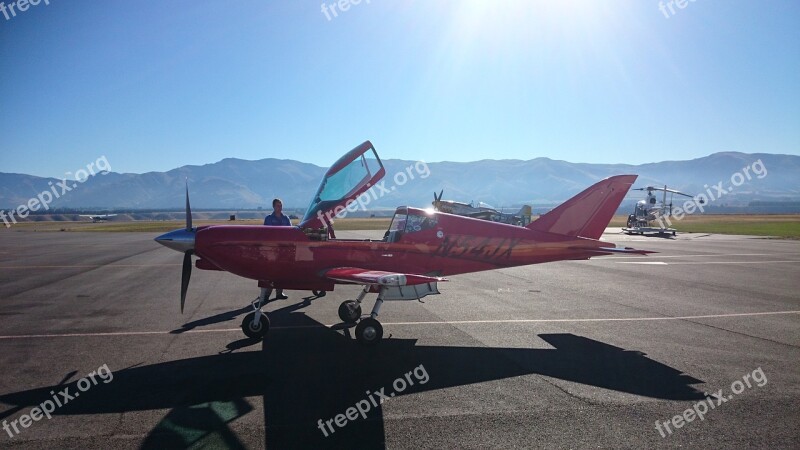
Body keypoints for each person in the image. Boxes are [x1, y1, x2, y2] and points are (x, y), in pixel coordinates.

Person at [264, 198, 291, 299]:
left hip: (283, 250)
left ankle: (279, 292)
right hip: (271, 250)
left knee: (282, 271)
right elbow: (265, 234)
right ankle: (266, 294)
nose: (279, 208)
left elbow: (291, 233)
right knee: (270, 272)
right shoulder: (268, 219)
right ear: (273, 207)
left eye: (281, 206)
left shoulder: (286, 219)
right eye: (277, 206)